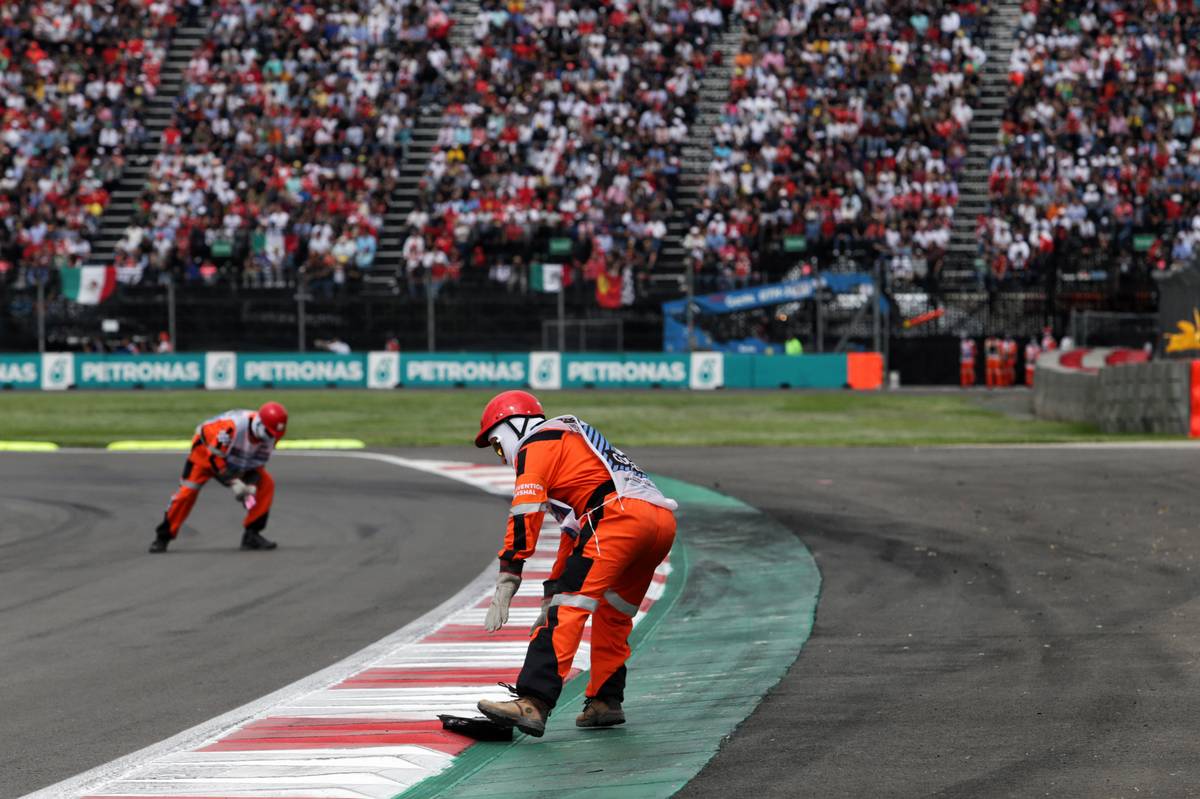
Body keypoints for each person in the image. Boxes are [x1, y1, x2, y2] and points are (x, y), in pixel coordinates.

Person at [472, 391, 678, 737]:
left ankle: (533, 702)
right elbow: (575, 533)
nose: (502, 456)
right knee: (613, 613)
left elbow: (526, 512)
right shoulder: (571, 440)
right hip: (658, 522)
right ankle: (605, 701)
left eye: (496, 445)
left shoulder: (536, 443)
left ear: (514, 426)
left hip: (616, 517)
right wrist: (550, 591)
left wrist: (510, 573)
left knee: (567, 608)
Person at [149, 402, 289, 553]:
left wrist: (251, 486)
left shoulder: (270, 438)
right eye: (268, 433)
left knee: (266, 484)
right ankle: (163, 537)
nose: (270, 438)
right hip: (205, 455)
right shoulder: (231, 427)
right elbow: (214, 458)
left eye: (274, 435)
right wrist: (234, 482)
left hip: (237, 460)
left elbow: (257, 464)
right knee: (185, 494)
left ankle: (252, 534)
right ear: (258, 424)